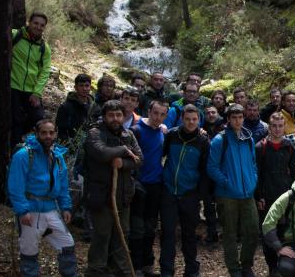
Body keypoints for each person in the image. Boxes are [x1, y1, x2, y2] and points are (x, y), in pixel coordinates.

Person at [7, 119, 77, 277]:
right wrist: (22, 210)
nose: (48, 136)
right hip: (31, 211)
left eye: (51, 133)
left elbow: (62, 184)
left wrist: (65, 206)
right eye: (44, 132)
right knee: (29, 251)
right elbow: (16, 185)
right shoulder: (24, 155)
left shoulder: (57, 156)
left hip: (51, 209)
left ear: (56, 134)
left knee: (67, 244)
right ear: (36, 133)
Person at [84, 100, 143, 277]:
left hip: (123, 194)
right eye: (111, 115)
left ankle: (119, 268)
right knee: (102, 233)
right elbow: (101, 153)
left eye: (118, 115)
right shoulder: (95, 133)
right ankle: (96, 269)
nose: (115, 118)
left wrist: (123, 163)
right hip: (101, 194)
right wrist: (124, 150)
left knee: (122, 233)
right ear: (104, 116)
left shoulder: (128, 134)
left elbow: (139, 160)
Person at [207, 104, 260, 277]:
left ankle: (246, 265)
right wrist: (227, 183)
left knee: (252, 230)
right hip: (227, 195)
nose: (237, 121)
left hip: (248, 194)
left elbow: (253, 164)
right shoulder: (220, 140)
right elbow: (212, 168)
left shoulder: (248, 138)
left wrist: (253, 180)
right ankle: (234, 269)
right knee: (229, 234)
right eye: (234, 117)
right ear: (228, 119)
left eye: (240, 117)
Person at [161, 105, 210, 277]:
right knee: (167, 234)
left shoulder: (203, 141)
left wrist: (199, 194)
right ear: (182, 118)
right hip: (169, 191)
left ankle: (191, 270)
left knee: (189, 234)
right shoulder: (172, 135)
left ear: (199, 120)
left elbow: (205, 170)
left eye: (194, 119)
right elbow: (161, 155)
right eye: (188, 119)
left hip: (190, 193)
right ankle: (167, 271)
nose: (190, 122)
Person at [255, 112, 295, 273]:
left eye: (280, 126)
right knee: (269, 231)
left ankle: (287, 263)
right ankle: (272, 266)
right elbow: (257, 174)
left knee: (286, 230)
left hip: (286, 194)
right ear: (269, 127)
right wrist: (259, 196)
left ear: (284, 126)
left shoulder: (289, 146)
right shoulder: (261, 147)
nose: (277, 129)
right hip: (267, 196)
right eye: (274, 126)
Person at [130, 100, 168, 276]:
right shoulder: (136, 131)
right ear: (149, 111)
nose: (158, 117)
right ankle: (135, 265)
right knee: (137, 228)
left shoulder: (162, 131)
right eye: (155, 113)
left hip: (156, 185)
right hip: (138, 185)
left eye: (162, 114)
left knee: (150, 227)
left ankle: (147, 264)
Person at [7, 12, 53, 147]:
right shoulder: (16, 35)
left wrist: (37, 92)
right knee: (15, 120)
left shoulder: (44, 47)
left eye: (42, 25)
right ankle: (13, 151)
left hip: (30, 89)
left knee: (38, 117)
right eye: (36, 23)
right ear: (29, 22)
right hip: (13, 86)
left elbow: (45, 71)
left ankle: (18, 135)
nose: (38, 27)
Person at [201, 106, 225, 243]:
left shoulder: (225, 129)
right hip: (205, 172)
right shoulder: (201, 128)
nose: (210, 115)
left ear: (217, 113)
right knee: (208, 204)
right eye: (208, 112)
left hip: (221, 170)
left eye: (213, 112)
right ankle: (212, 232)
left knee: (222, 203)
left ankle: (225, 231)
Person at [56, 73, 93, 143]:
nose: (84, 89)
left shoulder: (95, 107)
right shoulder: (65, 107)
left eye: (87, 86)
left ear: (90, 87)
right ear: (75, 87)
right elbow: (60, 130)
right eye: (81, 86)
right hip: (70, 143)